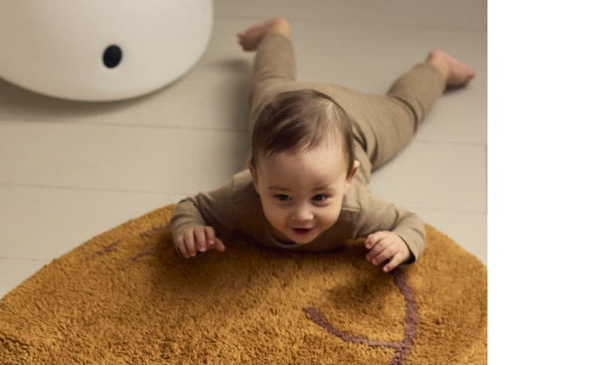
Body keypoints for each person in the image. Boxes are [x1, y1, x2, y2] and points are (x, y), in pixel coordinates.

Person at [170, 17, 475, 272]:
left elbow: (409, 223)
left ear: (349, 177)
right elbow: (191, 207)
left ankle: (438, 66)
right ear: (256, 177)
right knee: (267, 81)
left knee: (405, 111)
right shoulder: (241, 195)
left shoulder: (357, 208)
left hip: (356, 120)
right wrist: (190, 229)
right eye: (283, 197)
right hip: (282, 104)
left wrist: (401, 243)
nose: (302, 215)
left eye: (320, 197)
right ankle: (275, 33)